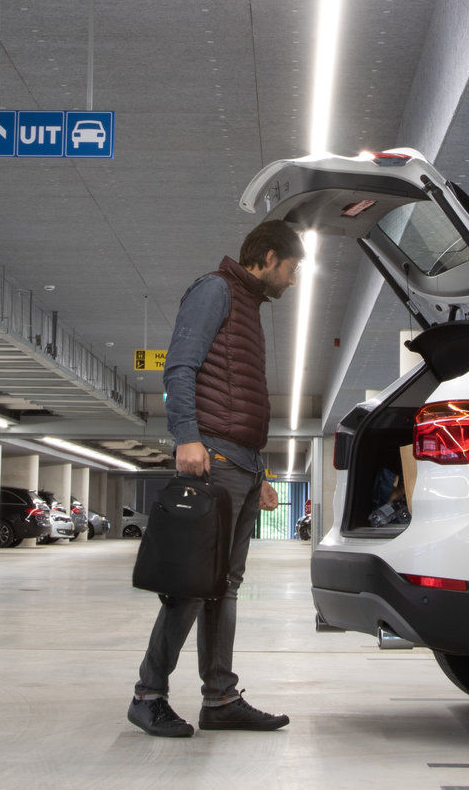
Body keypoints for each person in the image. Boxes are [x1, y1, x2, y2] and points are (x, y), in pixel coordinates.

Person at [127, 219, 303, 739]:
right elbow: (180, 367)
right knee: (192, 583)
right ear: (269, 257)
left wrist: (263, 472)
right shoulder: (215, 290)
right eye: (292, 269)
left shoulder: (248, 307)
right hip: (215, 461)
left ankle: (220, 698)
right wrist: (186, 436)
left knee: (224, 587)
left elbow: (241, 399)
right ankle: (148, 696)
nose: (293, 281)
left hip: (242, 465)